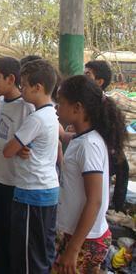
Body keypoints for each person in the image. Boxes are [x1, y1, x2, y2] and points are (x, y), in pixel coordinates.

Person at [55, 75, 127, 273]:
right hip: (77, 234)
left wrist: (74, 248)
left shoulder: (89, 145)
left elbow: (94, 200)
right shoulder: (82, 138)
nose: (56, 108)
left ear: (77, 108)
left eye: (60, 103)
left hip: (86, 239)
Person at [2, 59, 59, 273]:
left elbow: (8, 150)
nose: (21, 89)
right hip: (46, 190)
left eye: (24, 85)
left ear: (38, 87)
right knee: (42, 253)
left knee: (28, 257)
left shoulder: (36, 119)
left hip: (32, 193)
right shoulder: (52, 113)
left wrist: (18, 146)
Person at [0, 57, 35, 274]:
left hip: (14, 183)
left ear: (11, 78)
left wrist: (29, 149)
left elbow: (39, 140)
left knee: (14, 239)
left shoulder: (28, 108)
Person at [83, 60, 128, 212]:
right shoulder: (86, 102)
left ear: (99, 81)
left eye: (88, 74)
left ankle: (114, 209)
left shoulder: (102, 106)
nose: (84, 77)